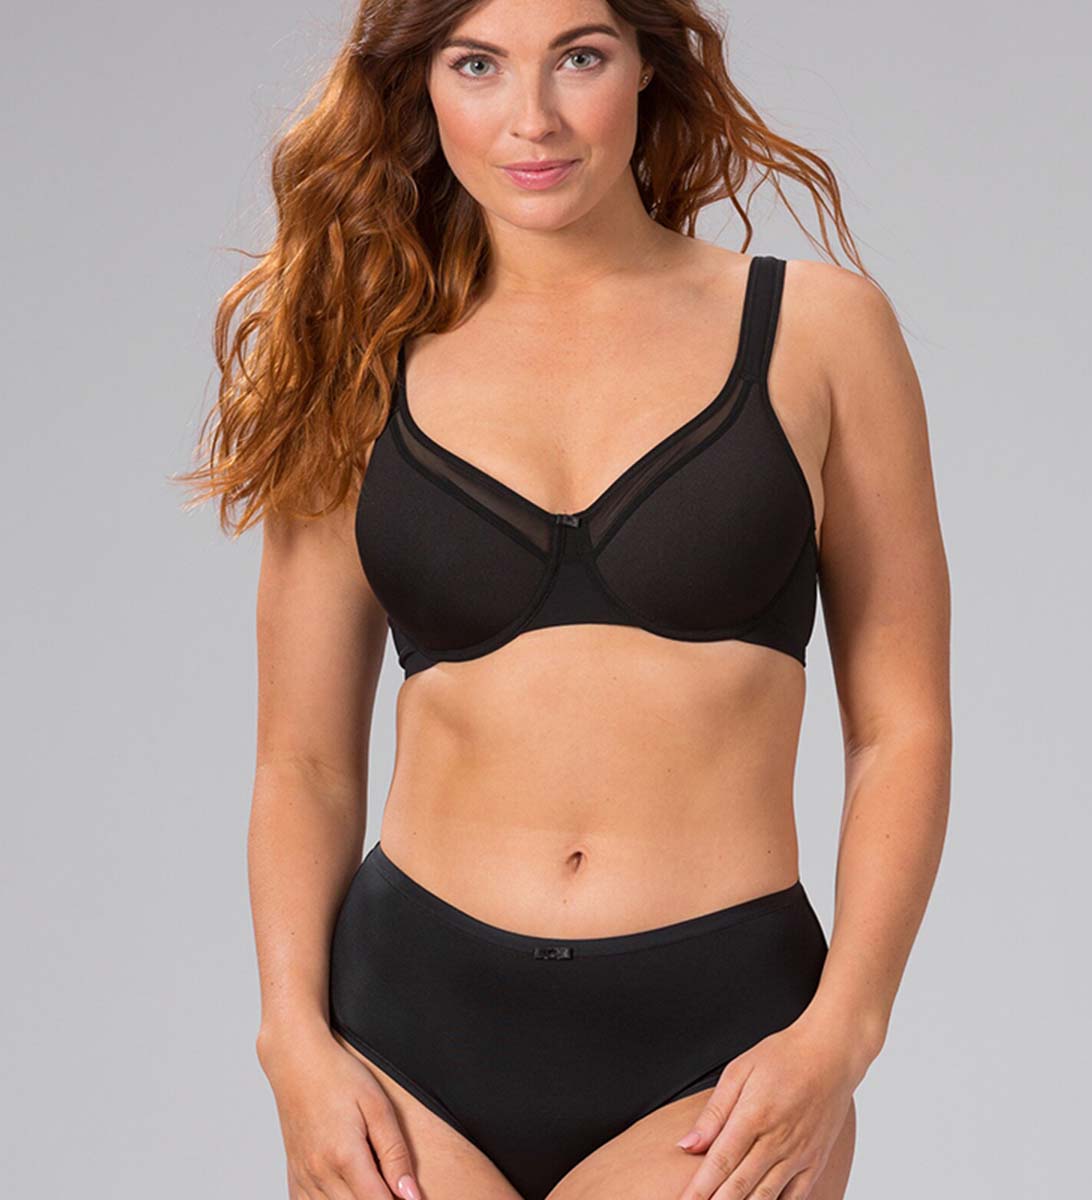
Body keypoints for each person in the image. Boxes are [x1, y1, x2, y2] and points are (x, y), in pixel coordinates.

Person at [179, 3, 952, 1198]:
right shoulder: (361, 359)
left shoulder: (820, 332)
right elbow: (304, 763)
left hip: (717, 1039)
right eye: (478, 65)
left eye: (578, 57)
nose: (531, 118)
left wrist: (843, 1030)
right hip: (404, 1031)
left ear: (646, 63)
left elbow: (902, 726)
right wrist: (292, 1040)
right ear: (422, 86)